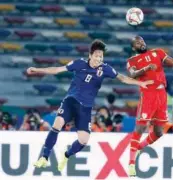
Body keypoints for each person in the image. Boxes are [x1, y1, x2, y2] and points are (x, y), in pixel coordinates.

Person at [27, 39, 153, 171]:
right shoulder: (79, 63)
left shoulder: (105, 68)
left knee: (83, 140)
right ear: (90, 55)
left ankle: (66, 154)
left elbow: (122, 78)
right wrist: (37, 69)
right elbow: (57, 69)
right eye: (97, 55)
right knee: (57, 123)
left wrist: (140, 83)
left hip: (85, 108)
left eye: (101, 56)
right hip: (71, 101)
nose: (99, 58)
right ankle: (44, 157)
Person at [127, 36, 173, 176]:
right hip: (148, 94)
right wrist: (145, 68)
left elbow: (172, 62)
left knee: (159, 132)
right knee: (140, 127)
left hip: (161, 95)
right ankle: (131, 164)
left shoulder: (157, 52)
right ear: (133, 48)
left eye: (142, 40)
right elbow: (132, 74)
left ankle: (139, 148)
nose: (141, 43)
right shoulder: (132, 61)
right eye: (137, 42)